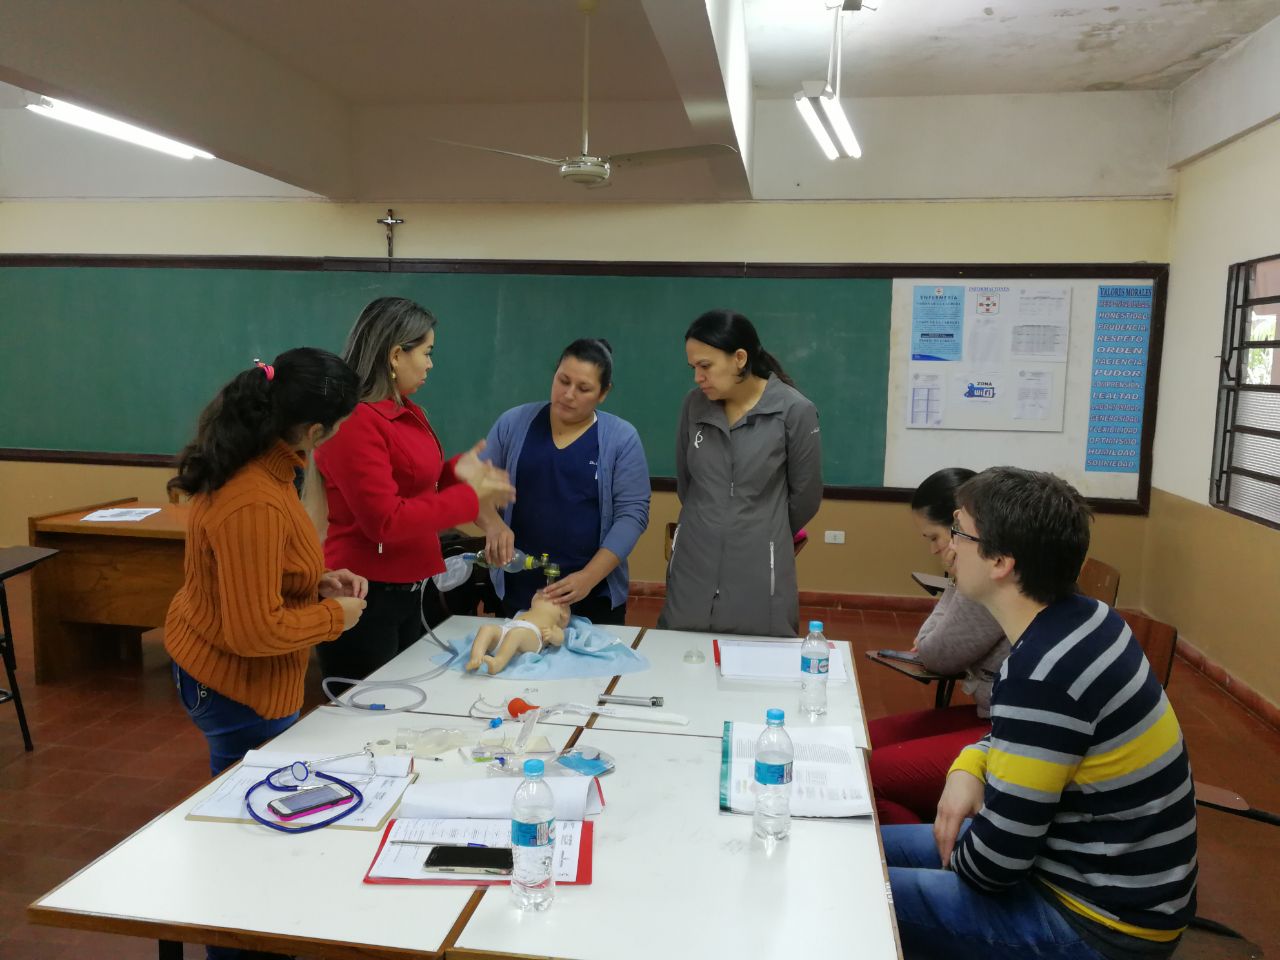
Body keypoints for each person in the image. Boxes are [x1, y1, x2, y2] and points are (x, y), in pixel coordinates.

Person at [884, 467, 1197, 960]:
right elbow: (1033, 740)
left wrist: (936, 870)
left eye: (960, 532)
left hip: (1098, 924)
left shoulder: (1040, 672)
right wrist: (970, 764)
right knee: (865, 853)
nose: (948, 548)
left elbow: (995, 866)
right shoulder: (1089, 618)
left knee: (860, 892)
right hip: (1098, 883)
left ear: (1002, 562)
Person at [165, 348, 367, 777]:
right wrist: (334, 617)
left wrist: (315, 583)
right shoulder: (253, 500)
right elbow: (253, 630)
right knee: (244, 804)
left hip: (244, 678)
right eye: (341, 425)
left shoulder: (264, 465)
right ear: (314, 431)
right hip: (235, 688)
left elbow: (261, 567)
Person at [313, 297, 514, 689]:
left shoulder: (406, 411)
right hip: (366, 596)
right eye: (426, 352)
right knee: (366, 719)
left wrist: (457, 473)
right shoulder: (355, 422)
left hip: (410, 589)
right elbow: (385, 521)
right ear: (394, 355)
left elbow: (422, 483)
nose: (430, 363)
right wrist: (470, 497)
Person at [658, 310, 822, 637]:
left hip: (759, 566)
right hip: (694, 559)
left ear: (740, 358)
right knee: (681, 655)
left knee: (757, 662)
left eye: (705, 366)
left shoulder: (793, 411)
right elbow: (687, 484)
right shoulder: (694, 406)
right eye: (693, 368)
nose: (697, 377)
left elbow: (805, 497)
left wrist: (761, 528)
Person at [869, 467, 1009, 824]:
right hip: (995, 718)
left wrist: (957, 581)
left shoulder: (990, 581)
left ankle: (923, 850)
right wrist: (954, 580)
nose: (937, 549)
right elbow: (928, 639)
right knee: (865, 742)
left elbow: (935, 653)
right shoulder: (979, 574)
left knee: (871, 773)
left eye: (938, 537)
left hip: (1002, 729)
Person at [477, 338, 650, 626]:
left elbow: (632, 516)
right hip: (516, 589)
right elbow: (474, 487)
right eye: (563, 380)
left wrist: (588, 577)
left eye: (583, 389)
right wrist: (492, 524)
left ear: (604, 393)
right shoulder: (514, 423)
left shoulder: (621, 439)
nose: (568, 394)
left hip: (593, 596)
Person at [465, 591, 571, 675]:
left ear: (563, 614)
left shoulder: (554, 624)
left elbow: (560, 639)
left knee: (517, 634)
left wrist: (552, 636)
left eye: (554, 598)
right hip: (507, 630)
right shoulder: (528, 611)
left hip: (531, 638)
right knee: (487, 628)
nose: (547, 593)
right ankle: (476, 658)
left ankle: (498, 663)